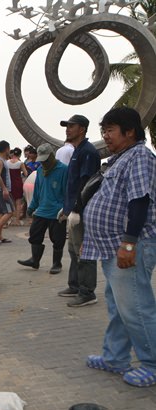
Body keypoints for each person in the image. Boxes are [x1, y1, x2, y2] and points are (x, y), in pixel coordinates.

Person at [81, 107, 156, 387]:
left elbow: (140, 201)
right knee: (119, 305)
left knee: (136, 307)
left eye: (111, 130)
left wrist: (128, 243)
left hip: (130, 245)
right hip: (112, 245)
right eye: (104, 130)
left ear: (130, 132)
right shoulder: (120, 158)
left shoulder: (139, 157)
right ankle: (115, 357)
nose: (106, 136)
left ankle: (152, 363)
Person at [56, 114, 101, 307]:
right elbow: (73, 184)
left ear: (82, 129)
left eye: (71, 126)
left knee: (84, 251)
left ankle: (87, 292)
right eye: (67, 126)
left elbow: (87, 184)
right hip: (73, 209)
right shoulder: (77, 150)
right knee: (73, 250)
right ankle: (74, 285)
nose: (67, 129)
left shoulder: (88, 152)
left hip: (82, 211)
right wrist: (66, 208)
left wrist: (76, 209)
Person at [17, 144, 68, 274]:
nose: (44, 163)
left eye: (46, 160)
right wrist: (31, 207)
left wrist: (66, 210)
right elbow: (37, 192)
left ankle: (57, 263)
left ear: (51, 156)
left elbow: (69, 192)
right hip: (41, 210)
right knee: (34, 235)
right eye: (42, 160)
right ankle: (35, 260)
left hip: (57, 212)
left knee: (58, 239)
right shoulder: (40, 171)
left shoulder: (64, 170)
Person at [8, 147, 29, 226]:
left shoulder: (7, 162)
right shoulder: (20, 163)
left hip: (10, 183)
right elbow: (26, 173)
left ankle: (10, 219)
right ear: (20, 155)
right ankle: (17, 220)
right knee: (18, 202)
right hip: (18, 183)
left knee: (11, 202)